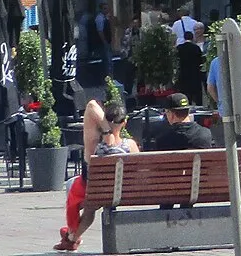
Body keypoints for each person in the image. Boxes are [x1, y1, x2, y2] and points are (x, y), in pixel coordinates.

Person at [55, 97, 136, 251]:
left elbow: (91, 104)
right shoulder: (130, 145)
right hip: (125, 192)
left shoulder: (93, 144)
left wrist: (105, 130)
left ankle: (72, 235)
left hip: (96, 193)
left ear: (103, 119)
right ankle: (71, 238)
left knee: (78, 191)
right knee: (89, 200)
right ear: (124, 122)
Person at [206, 34, 241, 147]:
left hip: (225, 111)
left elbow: (210, 87)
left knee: (229, 145)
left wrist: (220, 101)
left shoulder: (215, 62)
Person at [145, 93, 214, 151]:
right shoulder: (205, 134)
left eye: (166, 112)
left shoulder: (163, 140)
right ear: (188, 111)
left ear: (171, 114)